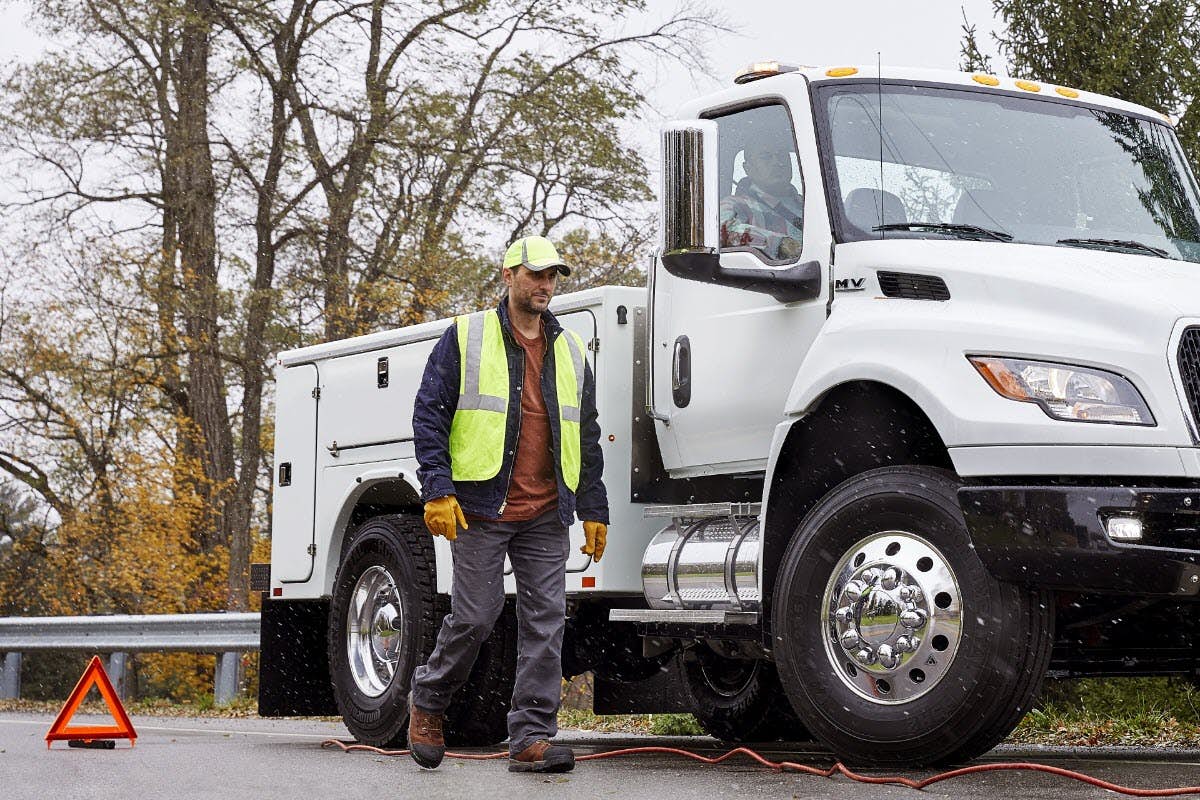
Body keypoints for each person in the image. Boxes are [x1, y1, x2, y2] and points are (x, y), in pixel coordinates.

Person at [407, 235, 610, 774]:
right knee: (475, 616)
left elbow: (584, 435)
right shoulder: (466, 336)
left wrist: (594, 506)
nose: (544, 285)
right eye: (535, 274)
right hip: (481, 506)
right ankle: (428, 702)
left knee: (547, 621)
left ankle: (531, 736)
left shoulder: (570, 350)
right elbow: (429, 414)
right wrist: (438, 488)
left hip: (546, 512)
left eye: (552, 276)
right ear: (508, 275)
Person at [720, 134, 804, 261]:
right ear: (748, 168)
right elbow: (722, 231)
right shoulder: (735, 204)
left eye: (782, 155)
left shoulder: (810, 205)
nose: (777, 163)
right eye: (766, 157)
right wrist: (779, 244)